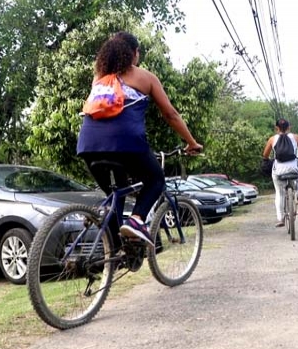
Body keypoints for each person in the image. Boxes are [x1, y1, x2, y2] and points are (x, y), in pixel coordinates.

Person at [76, 31, 203, 248]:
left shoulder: (98, 79)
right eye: (138, 52)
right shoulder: (144, 77)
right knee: (156, 180)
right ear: (134, 53)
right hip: (126, 143)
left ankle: (116, 251)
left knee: (116, 194)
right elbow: (170, 114)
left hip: (88, 145)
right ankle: (136, 221)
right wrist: (191, 142)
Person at [262, 118, 298, 227]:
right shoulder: (296, 137)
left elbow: (265, 156)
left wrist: (267, 159)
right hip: (294, 168)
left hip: (278, 170)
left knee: (279, 193)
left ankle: (280, 218)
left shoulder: (272, 139)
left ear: (276, 128)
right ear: (289, 127)